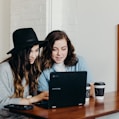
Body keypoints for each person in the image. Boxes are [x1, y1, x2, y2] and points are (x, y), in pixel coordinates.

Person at [0, 28, 49, 106]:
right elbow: (2, 103)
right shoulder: (4, 69)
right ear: (20, 52)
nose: (34, 56)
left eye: (36, 50)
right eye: (30, 51)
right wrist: (32, 99)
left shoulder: (32, 67)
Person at [38, 30, 94, 97]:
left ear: (68, 48)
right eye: (54, 49)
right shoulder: (42, 67)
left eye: (63, 49)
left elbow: (91, 90)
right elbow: (45, 95)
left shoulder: (79, 61)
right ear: (48, 50)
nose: (59, 53)